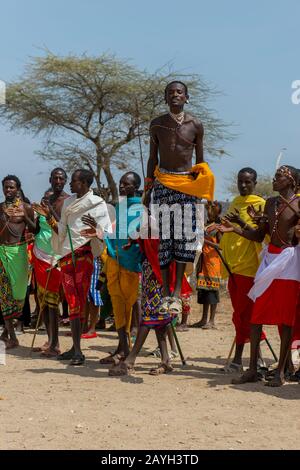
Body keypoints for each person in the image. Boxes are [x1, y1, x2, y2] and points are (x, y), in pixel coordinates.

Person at [218, 165, 300, 386]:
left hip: (290, 263)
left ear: (291, 181)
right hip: (268, 261)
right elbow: (257, 236)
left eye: (280, 177)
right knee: (256, 318)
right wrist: (235, 229)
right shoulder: (270, 203)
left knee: (285, 320)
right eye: (274, 176)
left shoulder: (298, 204)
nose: (274, 179)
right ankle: (252, 369)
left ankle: (281, 373)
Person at [143, 81, 214, 317]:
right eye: (171, 92)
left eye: (179, 92)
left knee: (183, 237)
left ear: (187, 97)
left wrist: (201, 191)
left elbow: (200, 161)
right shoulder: (157, 125)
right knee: (165, 237)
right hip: (163, 181)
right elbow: (152, 158)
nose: (175, 95)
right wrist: (147, 188)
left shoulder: (195, 124)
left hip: (186, 183)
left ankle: (175, 292)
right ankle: (164, 290)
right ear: (165, 97)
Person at [33, 169, 110, 366]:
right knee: (72, 301)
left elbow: (106, 232)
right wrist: (49, 216)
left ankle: (78, 351)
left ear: (84, 183)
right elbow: (62, 230)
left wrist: (97, 231)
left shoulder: (97, 204)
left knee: (78, 302)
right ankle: (75, 348)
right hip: (66, 257)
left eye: (74, 181)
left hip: (83, 257)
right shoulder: (68, 203)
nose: (70, 184)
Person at [83, 172, 143, 367]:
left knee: (127, 305)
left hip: (131, 263)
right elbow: (115, 231)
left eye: (126, 184)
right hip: (115, 260)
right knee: (117, 305)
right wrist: (99, 232)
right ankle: (122, 348)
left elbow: (134, 235)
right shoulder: (121, 205)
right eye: (121, 183)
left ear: (136, 187)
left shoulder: (140, 208)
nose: (122, 187)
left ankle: (126, 349)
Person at [218, 168, 267, 372]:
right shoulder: (236, 202)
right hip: (232, 268)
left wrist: (239, 224)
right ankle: (258, 357)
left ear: (255, 182)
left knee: (242, 315)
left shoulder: (261, 205)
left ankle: (239, 359)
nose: (243, 185)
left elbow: (259, 236)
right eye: (240, 181)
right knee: (240, 315)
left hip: (250, 268)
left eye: (248, 182)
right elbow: (229, 235)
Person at [32, 168, 69, 356]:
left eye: (61, 177)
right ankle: (49, 339)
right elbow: (37, 228)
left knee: (53, 302)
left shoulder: (68, 202)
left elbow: (64, 230)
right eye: (55, 177)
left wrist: (49, 212)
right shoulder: (46, 200)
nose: (58, 180)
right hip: (39, 253)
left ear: (65, 180)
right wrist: (32, 215)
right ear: (50, 179)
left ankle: (56, 344)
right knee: (43, 302)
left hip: (56, 255)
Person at [0, 175, 34, 349]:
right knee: (4, 295)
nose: (8, 190)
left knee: (19, 296)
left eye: (11, 187)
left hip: (19, 252)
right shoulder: (0, 208)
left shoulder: (27, 208)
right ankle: (12, 336)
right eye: (5, 187)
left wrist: (24, 216)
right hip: (2, 253)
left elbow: (35, 229)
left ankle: (6, 332)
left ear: (18, 188)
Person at [193, 201, 222, 329]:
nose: (209, 213)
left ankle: (211, 320)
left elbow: (221, 246)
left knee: (213, 291)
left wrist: (205, 241)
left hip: (213, 262)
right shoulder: (205, 225)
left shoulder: (219, 227)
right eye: (208, 211)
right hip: (203, 261)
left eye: (211, 211)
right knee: (204, 291)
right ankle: (204, 319)